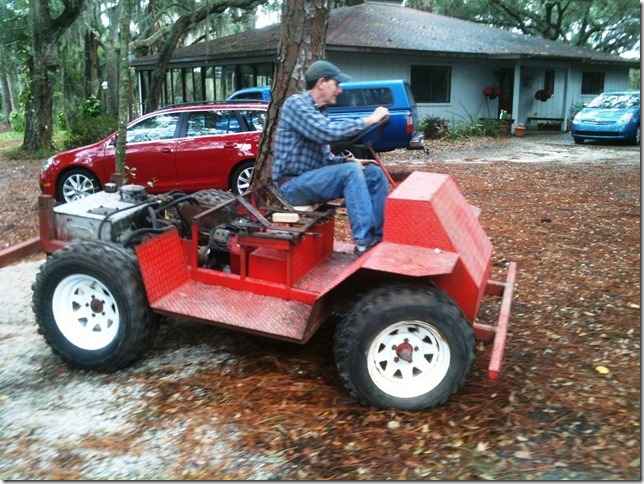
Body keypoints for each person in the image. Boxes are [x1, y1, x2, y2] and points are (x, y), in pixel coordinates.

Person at [272, 60, 390, 255]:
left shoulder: (319, 113)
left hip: (311, 180)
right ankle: (364, 242)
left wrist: (348, 161)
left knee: (373, 173)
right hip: (291, 186)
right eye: (337, 84)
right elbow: (327, 132)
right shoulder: (295, 104)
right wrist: (371, 119)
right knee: (350, 172)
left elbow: (325, 159)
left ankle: (378, 237)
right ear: (322, 82)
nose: (340, 90)